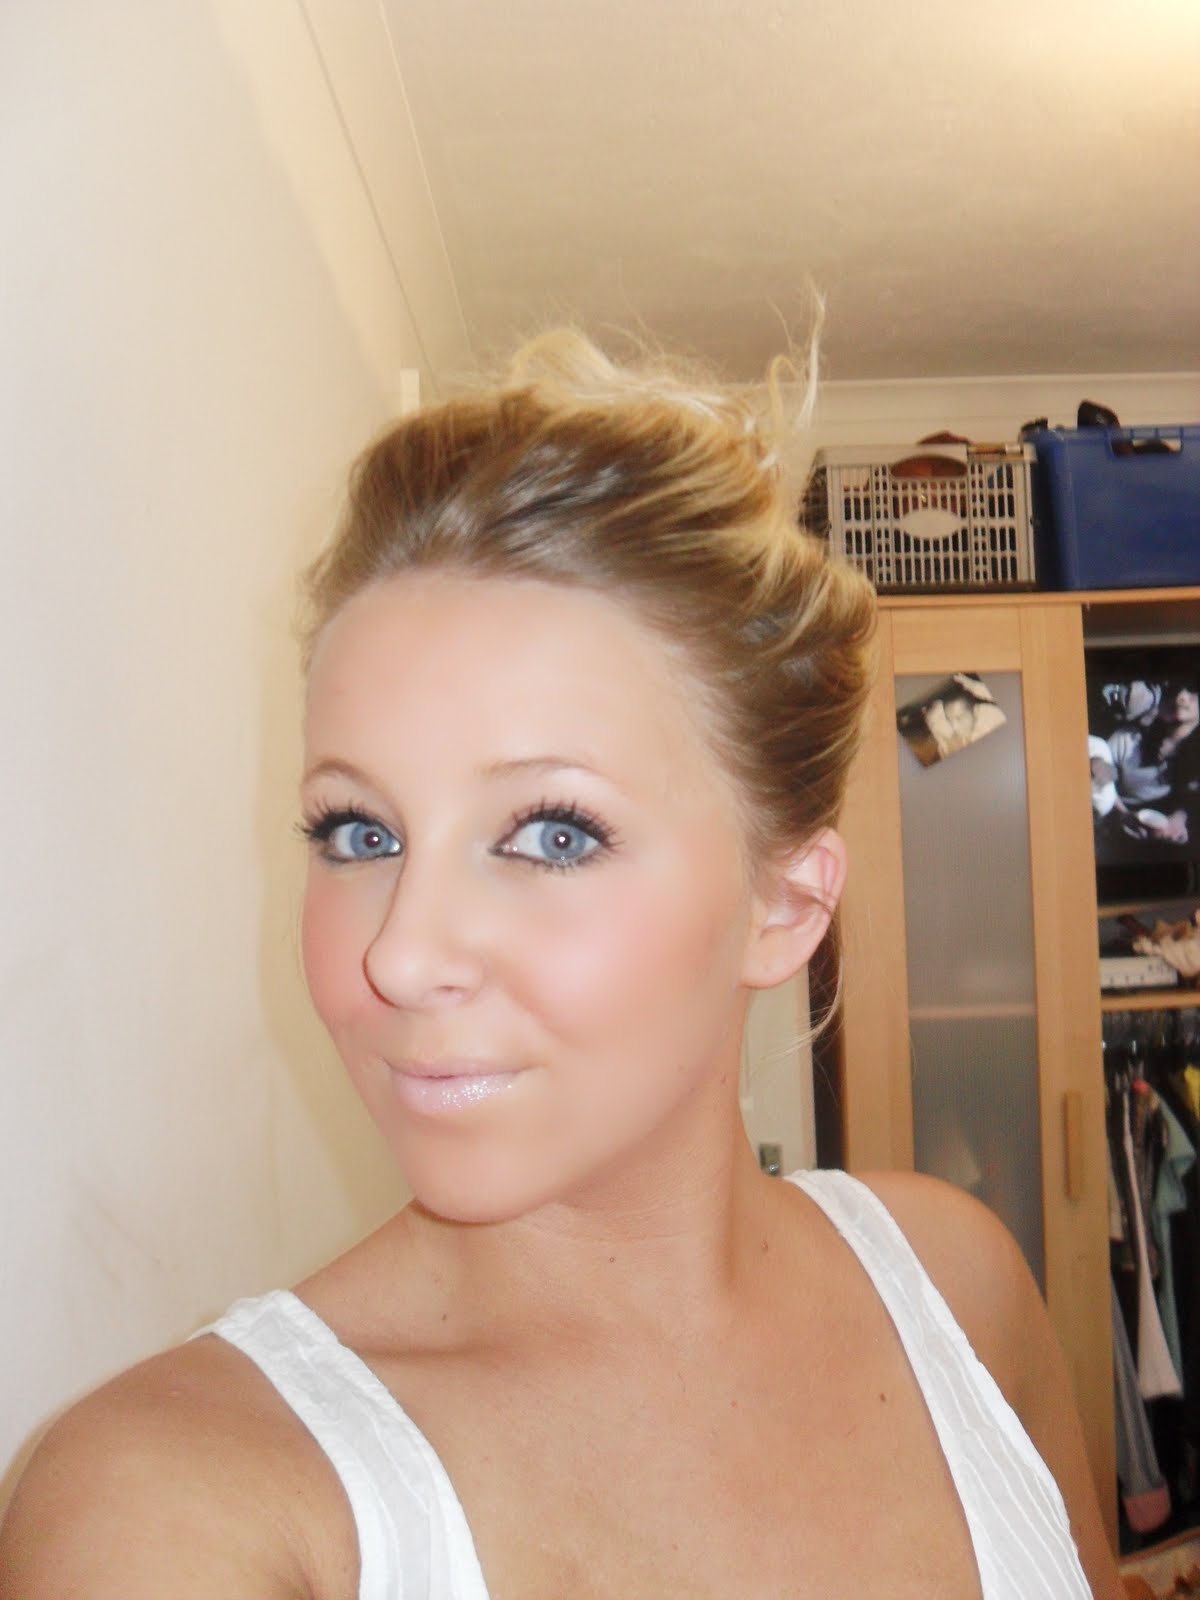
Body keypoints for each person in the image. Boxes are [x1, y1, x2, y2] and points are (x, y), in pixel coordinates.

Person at [0, 331, 1121, 1598]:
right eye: (359, 833)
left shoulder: (957, 1283)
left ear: (785, 905)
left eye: (551, 834)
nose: (400, 955)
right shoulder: (175, 1498)